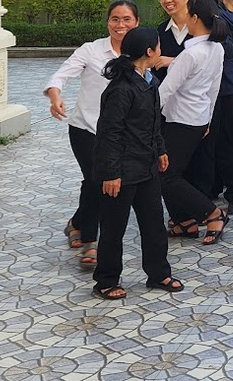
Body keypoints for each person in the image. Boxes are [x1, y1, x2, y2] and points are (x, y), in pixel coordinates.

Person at [45, 0, 141, 268]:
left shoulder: (142, 51)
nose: (120, 25)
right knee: (97, 180)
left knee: (98, 182)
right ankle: (91, 240)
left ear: (137, 22)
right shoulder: (91, 50)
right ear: (107, 22)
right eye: (115, 19)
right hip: (86, 128)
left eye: (126, 19)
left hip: (122, 134)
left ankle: (77, 222)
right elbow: (60, 76)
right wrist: (55, 97)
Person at [91, 25, 183, 301]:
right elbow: (109, 133)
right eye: (159, 46)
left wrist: (161, 150)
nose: (161, 51)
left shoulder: (148, 81)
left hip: (146, 166)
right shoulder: (121, 89)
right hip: (121, 171)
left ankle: (158, 273)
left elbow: (154, 122)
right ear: (149, 52)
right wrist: (110, 173)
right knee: (113, 228)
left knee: (153, 223)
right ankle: (106, 280)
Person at [158, 0, 229, 245]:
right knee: (175, 172)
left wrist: (141, 115)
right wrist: (207, 120)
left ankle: (212, 213)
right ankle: (184, 221)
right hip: (198, 119)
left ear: (195, 18)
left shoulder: (190, 54)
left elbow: (165, 90)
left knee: (166, 174)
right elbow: (214, 88)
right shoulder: (217, 48)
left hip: (180, 120)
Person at [195, 0, 233, 215]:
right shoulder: (232, 18)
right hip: (230, 89)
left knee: (217, 142)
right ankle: (226, 190)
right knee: (225, 141)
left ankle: (230, 191)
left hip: (222, 90)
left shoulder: (211, 20)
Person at [152, 0, 195, 83]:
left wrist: (173, 62)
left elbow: (210, 62)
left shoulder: (201, 27)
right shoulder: (161, 30)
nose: (167, 0)